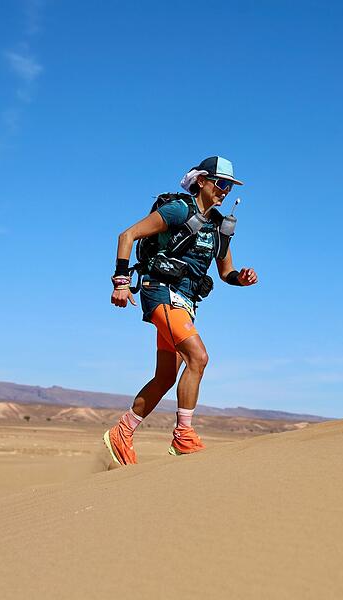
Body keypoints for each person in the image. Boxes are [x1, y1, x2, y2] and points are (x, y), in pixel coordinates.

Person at [103, 156, 258, 465]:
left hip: (186, 303)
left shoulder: (219, 229)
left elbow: (226, 272)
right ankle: (183, 436)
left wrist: (240, 279)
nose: (225, 191)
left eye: (230, 186)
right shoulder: (179, 210)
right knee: (198, 357)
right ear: (202, 181)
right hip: (159, 292)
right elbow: (127, 236)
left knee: (165, 378)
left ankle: (123, 432)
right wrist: (121, 282)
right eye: (221, 183)